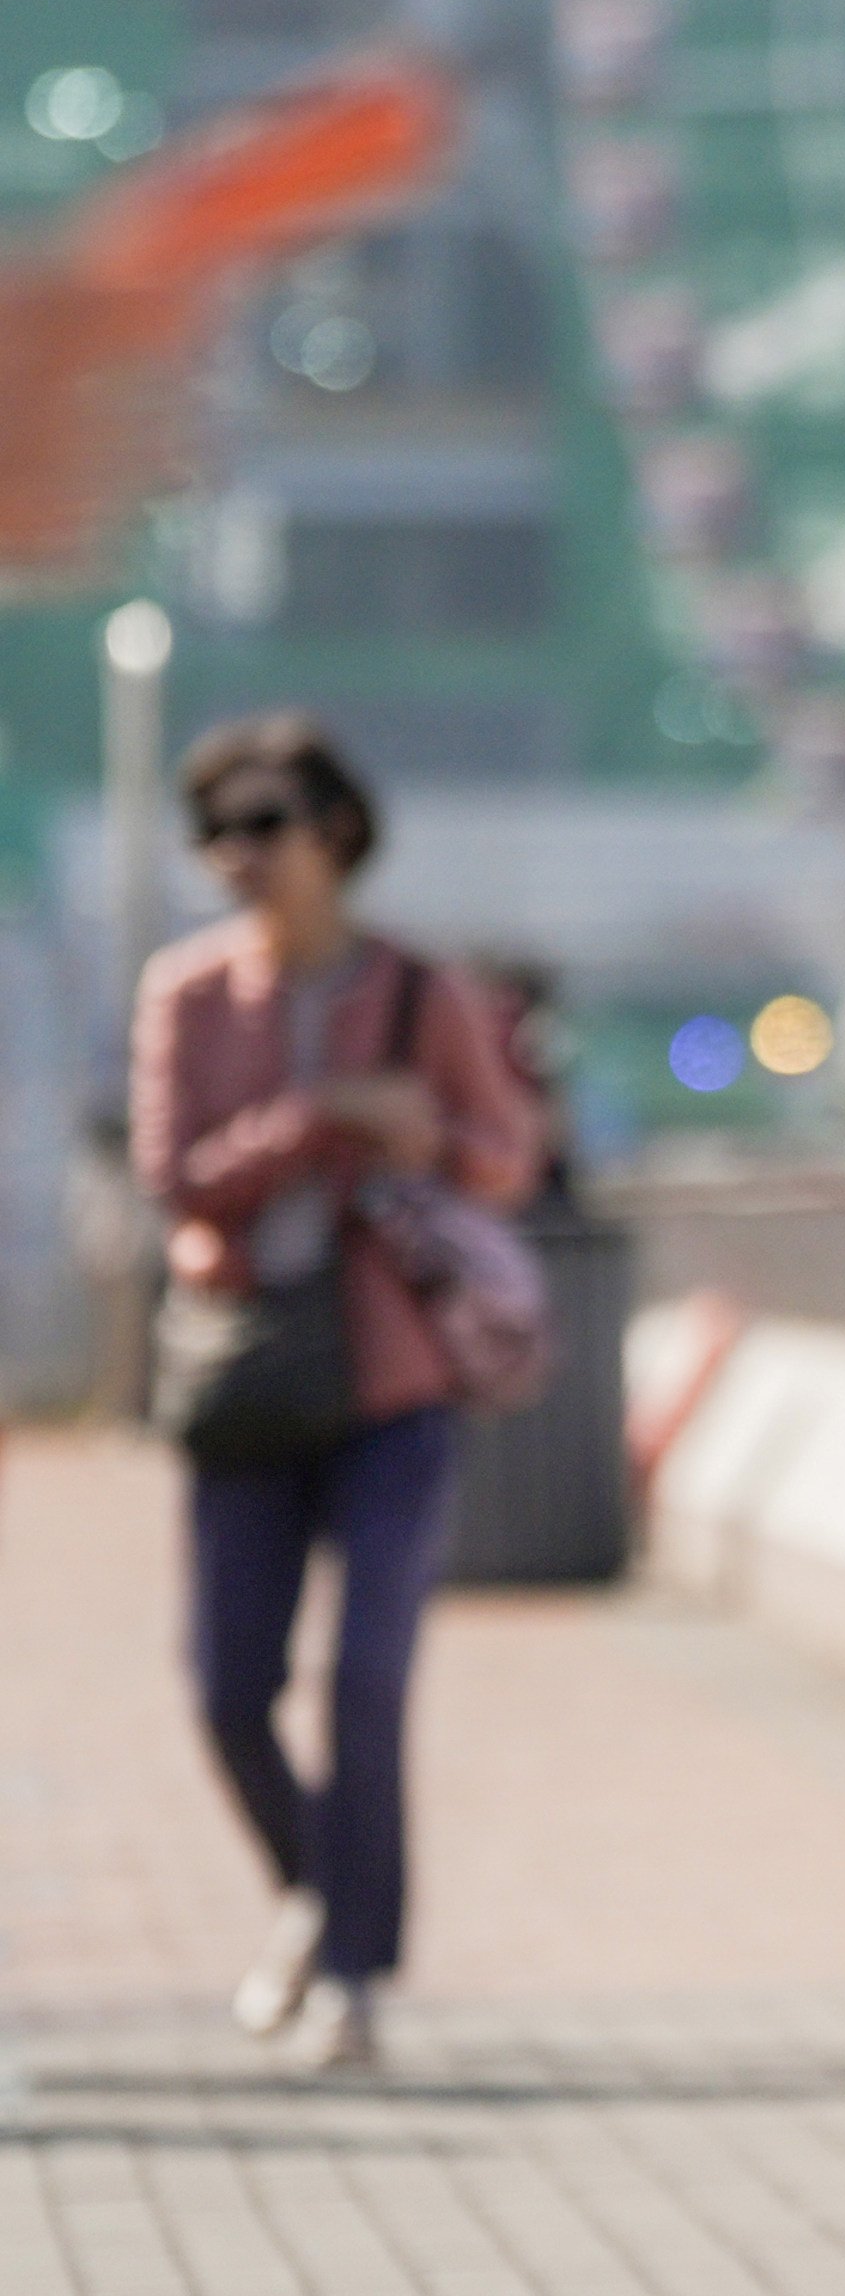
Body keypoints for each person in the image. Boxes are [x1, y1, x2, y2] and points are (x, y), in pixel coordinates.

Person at [129, 713, 541, 2073]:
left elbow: (505, 1160)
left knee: (366, 1681)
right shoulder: (186, 996)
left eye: (264, 826)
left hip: (391, 1386)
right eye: (217, 832)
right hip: (244, 1383)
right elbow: (174, 1176)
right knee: (227, 1689)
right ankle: (320, 1890)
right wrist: (322, 1115)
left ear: (335, 838)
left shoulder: (425, 996)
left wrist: (425, 1132)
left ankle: (353, 1974)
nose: (237, 856)